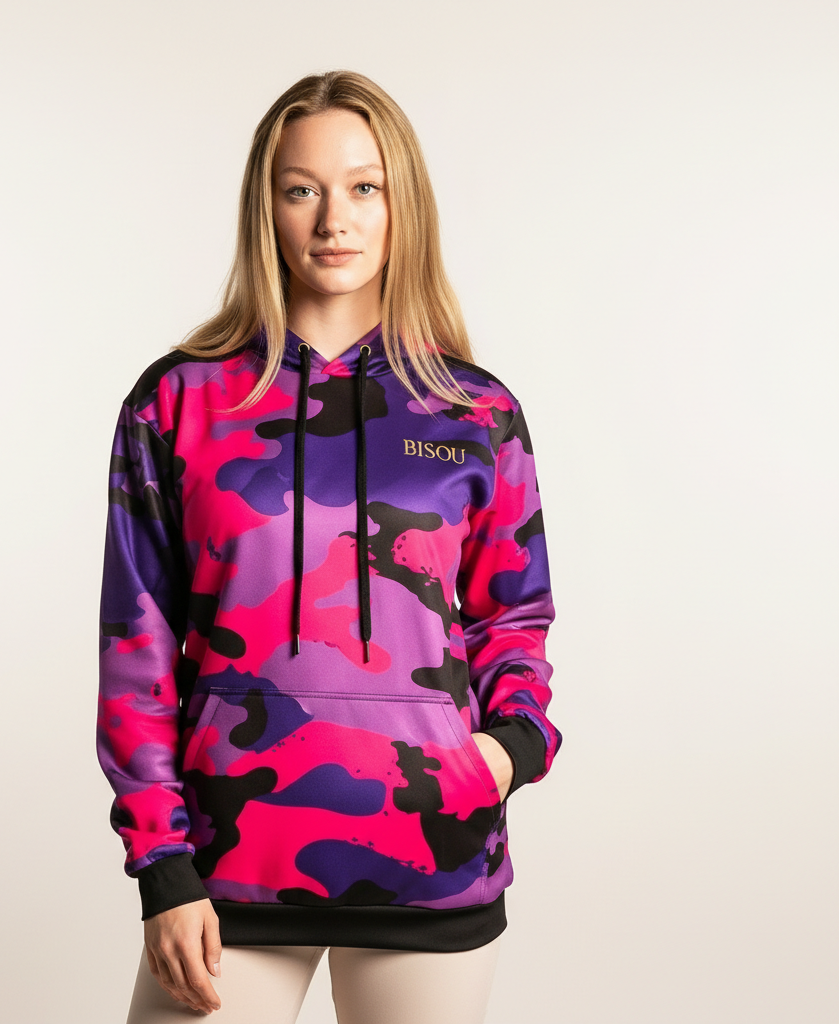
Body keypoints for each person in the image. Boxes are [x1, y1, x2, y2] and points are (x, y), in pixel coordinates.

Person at [97, 69, 561, 1023]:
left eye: (364, 187)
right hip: (225, 870)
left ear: (402, 204)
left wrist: (509, 749)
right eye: (301, 188)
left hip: (434, 861)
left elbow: (514, 614)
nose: (333, 220)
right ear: (265, 208)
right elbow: (133, 649)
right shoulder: (179, 402)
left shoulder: (475, 411)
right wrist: (163, 868)